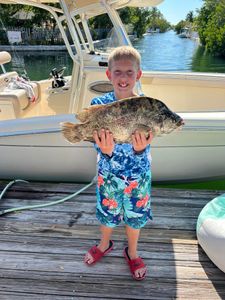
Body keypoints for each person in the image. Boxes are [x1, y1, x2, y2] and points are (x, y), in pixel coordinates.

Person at [84, 46, 153, 281]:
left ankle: (132, 252)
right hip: (108, 176)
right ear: (109, 75)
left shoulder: (146, 107)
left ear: (138, 75)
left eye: (129, 72)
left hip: (138, 177)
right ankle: (105, 244)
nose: (123, 78)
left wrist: (139, 148)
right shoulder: (99, 103)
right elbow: (96, 141)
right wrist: (105, 152)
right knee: (107, 215)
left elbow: (146, 148)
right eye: (118, 72)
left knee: (135, 217)